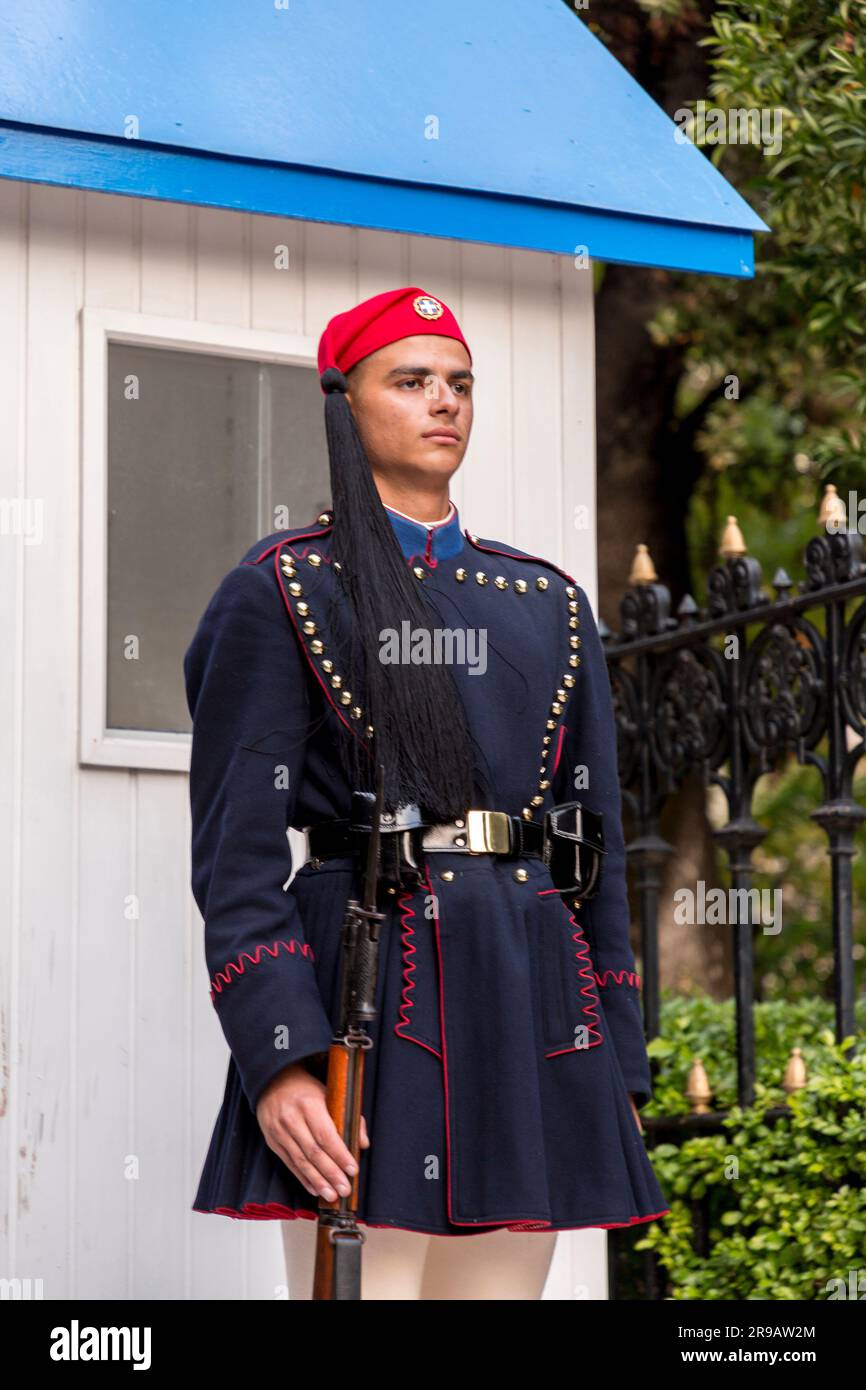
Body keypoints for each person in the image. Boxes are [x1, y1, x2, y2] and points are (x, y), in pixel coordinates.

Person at [184, 286, 670, 1299]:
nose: (442, 403)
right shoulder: (282, 587)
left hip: (528, 987)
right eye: (409, 382)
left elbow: (597, 851)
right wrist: (281, 1056)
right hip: (366, 989)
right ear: (344, 401)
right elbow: (235, 857)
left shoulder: (547, 602)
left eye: (458, 385)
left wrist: (618, 1062)